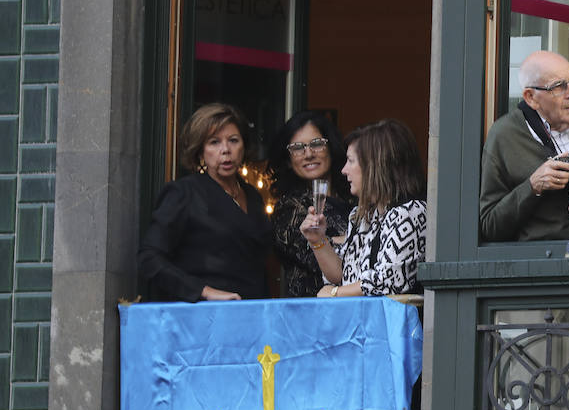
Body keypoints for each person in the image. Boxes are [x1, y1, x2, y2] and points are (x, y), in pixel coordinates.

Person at [479, 50, 569, 242]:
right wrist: (533, 187)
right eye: (559, 87)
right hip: (545, 260)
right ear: (531, 97)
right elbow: (490, 225)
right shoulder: (504, 136)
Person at [138, 103, 271, 302]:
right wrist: (204, 291)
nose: (225, 150)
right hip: (205, 316)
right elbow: (149, 259)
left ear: (243, 146)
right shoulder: (184, 193)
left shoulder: (252, 196)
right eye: (214, 142)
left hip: (253, 311)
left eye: (233, 140)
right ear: (200, 151)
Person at [301, 118, 427, 297]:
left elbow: (388, 282)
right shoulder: (361, 215)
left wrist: (335, 293)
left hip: (387, 324)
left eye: (351, 161)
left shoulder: (410, 212)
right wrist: (317, 240)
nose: (344, 170)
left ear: (375, 166)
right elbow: (342, 276)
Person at [266, 110, 353, 298]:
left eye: (317, 144)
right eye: (297, 148)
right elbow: (326, 264)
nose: (308, 154)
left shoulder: (354, 197)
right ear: (288, 160)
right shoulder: (289, 209)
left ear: (331, 148)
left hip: (356, 307)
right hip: (311, 311)